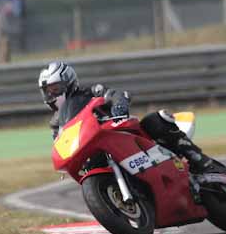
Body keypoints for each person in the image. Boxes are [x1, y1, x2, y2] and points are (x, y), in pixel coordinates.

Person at [38, 61, 212, 172]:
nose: (51, 95)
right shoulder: (56, 124)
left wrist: (119, 105)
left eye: (55, 89)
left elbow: (115, 94)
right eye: (47, 91)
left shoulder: (90, 92)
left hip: (119, 131)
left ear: (69, 83)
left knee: (154, 121)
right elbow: (62, 145)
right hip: (96, 151)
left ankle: (197, 157)